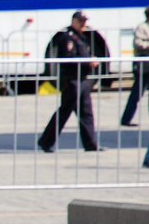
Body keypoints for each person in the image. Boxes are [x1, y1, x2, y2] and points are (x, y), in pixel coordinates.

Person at [38, 11, 102, 153]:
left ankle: (91, 144)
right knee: (64, 112)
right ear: (73, 21)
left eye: (85, 21)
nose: (83, 24)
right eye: (80, 21)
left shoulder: (81, 37)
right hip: (72, 81)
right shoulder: (68, 38)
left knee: (87, 114)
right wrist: (88, 62)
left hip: (82, 80)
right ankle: (46, 141)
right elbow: (69, 59)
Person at [121, 6, 149, 127]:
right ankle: (126, 118)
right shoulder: (142, 28)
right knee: (137, 93)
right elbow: (138, 44)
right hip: (144, 66)